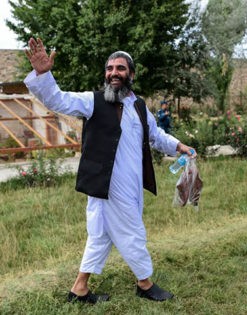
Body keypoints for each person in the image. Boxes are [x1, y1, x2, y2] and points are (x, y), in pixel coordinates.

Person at [23, 37, 197, 303]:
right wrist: (43, 74)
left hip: (129, 182)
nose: (113, 73)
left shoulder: (138, 106)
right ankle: (145, 283)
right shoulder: (93, 101)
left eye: (120, 68)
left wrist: (179, 146)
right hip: (107, 184)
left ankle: (79, 288)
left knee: (100, 235)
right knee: (132, 232)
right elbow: (58, 100)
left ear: (131, 74)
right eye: (110, 68)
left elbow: (156, 135)